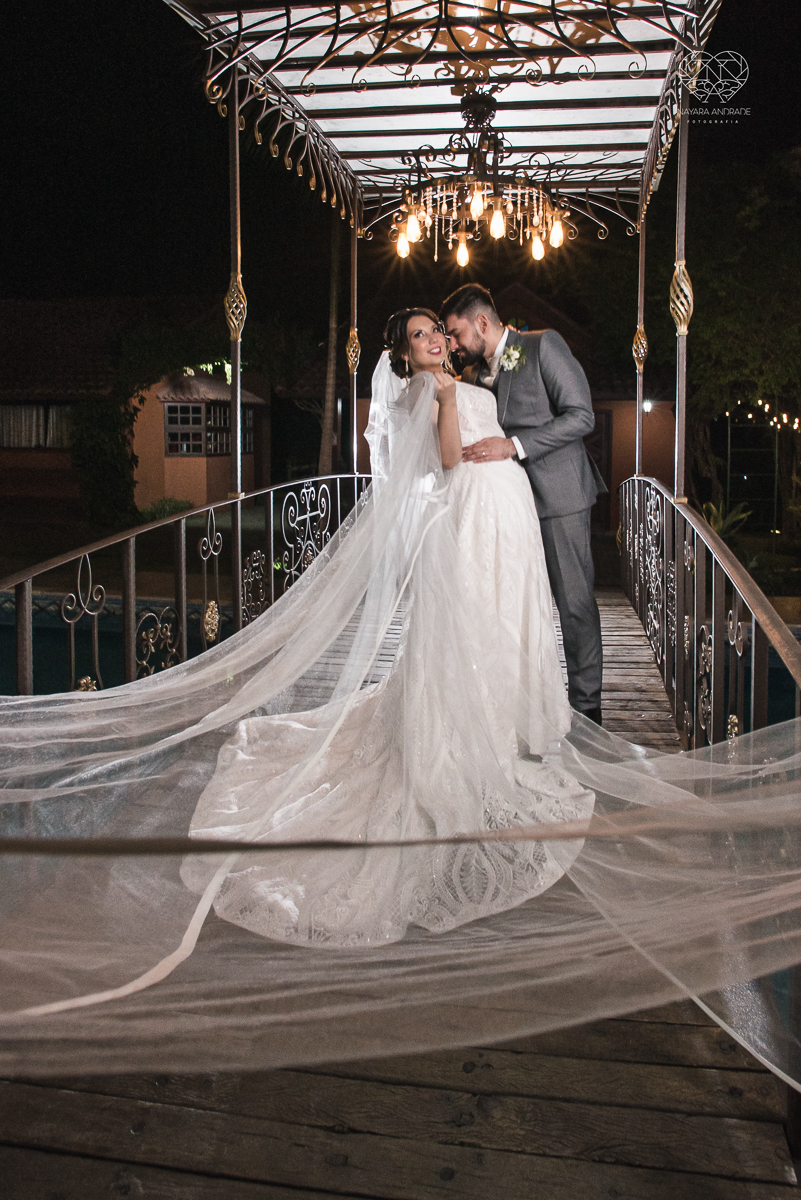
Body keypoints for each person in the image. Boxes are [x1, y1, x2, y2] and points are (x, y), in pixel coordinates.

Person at [440, 284, 606, 726]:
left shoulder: (542, 345)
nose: (453, 345)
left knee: (573, 603)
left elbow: (581, 415)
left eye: (456, 335)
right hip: (508, 506)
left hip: (560, 497)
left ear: (481, 323)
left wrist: (514, 445)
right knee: (520, 604)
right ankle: (531, 704)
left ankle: (588, 708)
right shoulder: (474, 376)